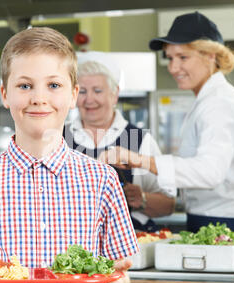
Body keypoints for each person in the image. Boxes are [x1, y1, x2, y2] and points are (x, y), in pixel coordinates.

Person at [0, 27, 138, 283]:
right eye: (25, 85)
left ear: (73, 95)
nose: (38, 98)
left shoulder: (103, 180)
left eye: (53, 85)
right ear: (5, 95)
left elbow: (118, 272)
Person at [99, 12, 234, 236]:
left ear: (210, 56)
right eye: (170, 58)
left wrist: (141, 160)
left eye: (183, 57)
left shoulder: (220, 103)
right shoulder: (208, 100)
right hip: (217, 223)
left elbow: (209, 172)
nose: (173, 68)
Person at [63, 51, 175, 232]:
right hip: (70, 245)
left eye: (97, 91)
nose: (89, 99)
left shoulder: (139, 140)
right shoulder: (59, 138)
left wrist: (143, 199)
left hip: (129, 246)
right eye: (82, 91)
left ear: (115, 94)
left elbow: (169, 205)